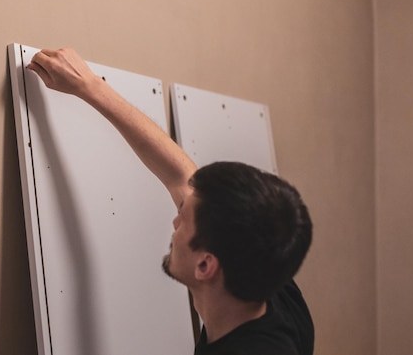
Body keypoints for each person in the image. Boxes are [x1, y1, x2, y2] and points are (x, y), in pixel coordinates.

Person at [27, 48, 314, 355]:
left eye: (184, 222)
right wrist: (91, 86)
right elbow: (181, 176)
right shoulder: (265, 274)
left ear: (206, 264)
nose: (175, 221)